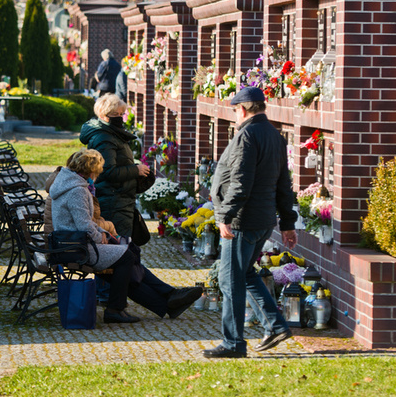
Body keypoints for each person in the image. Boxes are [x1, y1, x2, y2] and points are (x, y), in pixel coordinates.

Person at [49, 149, 202, 322]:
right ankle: (116, 309)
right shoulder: (78, 190)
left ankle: (167, 304)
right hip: (77, 247)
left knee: (125, 265)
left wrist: (103, 233)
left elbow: (84, 222)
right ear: (91, 170)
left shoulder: (68, 182)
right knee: (127, 258)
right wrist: (101, 237)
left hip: (73, 243)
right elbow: (83, 224)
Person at [203, 86, 298, 358]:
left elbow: (240, 182)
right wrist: (288, 224)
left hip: (243, 222)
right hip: (263, 219)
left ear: (242, 109)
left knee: (229, 280)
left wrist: (225, 217)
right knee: (244, 274)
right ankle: (275, 325)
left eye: (235, 111)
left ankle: (233, 343)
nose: (235, 116)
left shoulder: (247, 136)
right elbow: (284, 186)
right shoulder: (275, 137)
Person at [79, 94, 149, 238]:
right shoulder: (104, 137)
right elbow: (107, 171)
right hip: (114, 201)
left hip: (120, 199)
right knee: (121, 246)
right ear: (104, 115)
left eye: (121, 114)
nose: (119, 117)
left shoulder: (111, 133)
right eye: (114, 114)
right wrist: (136, 170)